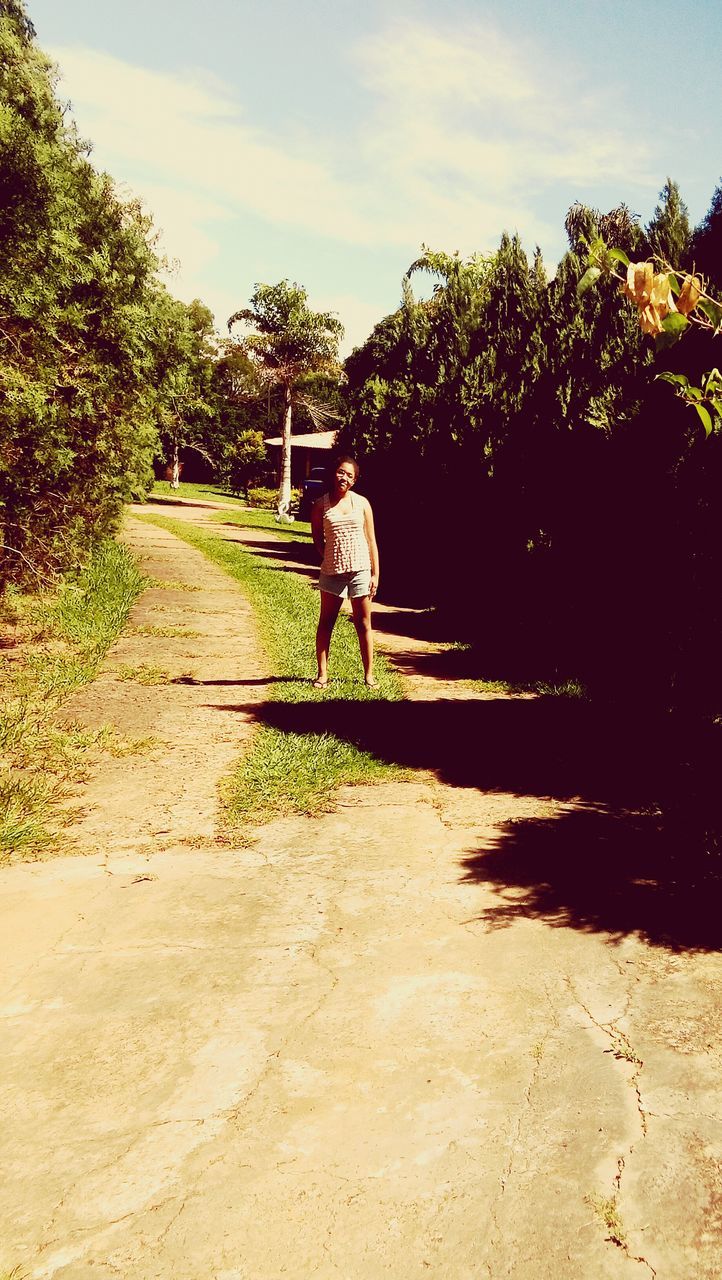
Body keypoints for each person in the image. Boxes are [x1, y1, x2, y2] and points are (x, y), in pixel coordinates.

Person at [311, 455, 379, 688]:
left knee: (363, 623)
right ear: (334, 473)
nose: (344, 477)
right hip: (331, 573)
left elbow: (371, 541)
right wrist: (328, 558)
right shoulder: (321, 505)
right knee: (326, 622)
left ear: (355, 481)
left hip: (360, 570)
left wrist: (374, 574)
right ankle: (322, 675)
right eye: (341, 472)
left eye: (350, 475)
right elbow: (318, 540)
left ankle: (369, 676)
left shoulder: (362, 503)